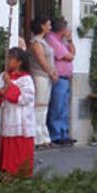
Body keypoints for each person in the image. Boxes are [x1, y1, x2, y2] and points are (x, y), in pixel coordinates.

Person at [0, 47, 36, 186]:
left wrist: (9, 84)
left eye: (10, 58)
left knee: (16, 152)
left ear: (19, 62)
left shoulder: (26, 79)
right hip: (3, 118)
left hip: (18, 120)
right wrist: (0, 92)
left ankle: (16, 181)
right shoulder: (3, 75)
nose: (7, 61)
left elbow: (24, 98)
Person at [28, 16, 58, 149]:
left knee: (44, 107)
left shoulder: (44, 41)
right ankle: (36, 138)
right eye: (48, 24)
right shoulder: (36, 42)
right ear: (42, 26)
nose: (50, 27)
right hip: (39, 75)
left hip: (46, 76)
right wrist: (51, 72)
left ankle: (44, 136)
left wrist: (52, 72)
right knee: (38, 106)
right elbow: (41, 60)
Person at [47, 18, 77, 146]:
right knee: (57, 107)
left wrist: (70, 40)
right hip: (58, 78)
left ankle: (64, 133)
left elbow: (73, 52)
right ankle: (55, 134)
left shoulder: (61, 41)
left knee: (64, 107)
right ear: (62, 29)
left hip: (65, 78)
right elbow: (69, 56)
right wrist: (70, 51)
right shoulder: (52, 40)